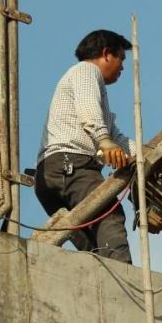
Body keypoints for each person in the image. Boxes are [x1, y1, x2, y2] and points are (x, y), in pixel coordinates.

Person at [34, 29, 135, 263]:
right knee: (109, 216)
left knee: (94, 248)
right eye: (121, 58)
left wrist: (145, 154)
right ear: (106, 54)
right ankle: (126, 282)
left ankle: (107, 286)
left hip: (50, 177)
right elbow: (90, 112)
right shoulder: (86, 71)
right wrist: (104, 141)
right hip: (71, 165)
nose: (122, 67)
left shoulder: (90, 88)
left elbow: (116, 138)